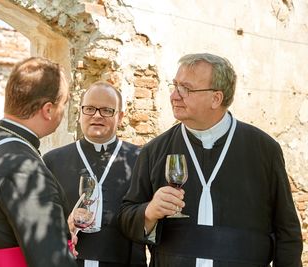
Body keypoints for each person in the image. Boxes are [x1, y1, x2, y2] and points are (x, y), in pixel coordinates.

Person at [118, 53, 303, 267]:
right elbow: (126, 218)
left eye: (185, 88)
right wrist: (149, 212)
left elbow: (287, 234)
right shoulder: (154, 151)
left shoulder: (264, 150)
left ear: (216, 98)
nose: (174, 95)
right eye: (175, 85)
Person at [0, 57, 77, 267]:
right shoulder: (23, 167)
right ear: (48, 110)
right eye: (64, 103)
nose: (64, 111)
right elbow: (51, 261)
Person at [43, 81, 147, 267]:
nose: (97, 116)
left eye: (107, 110)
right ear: (80, 112)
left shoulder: (140, 160)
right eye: (89, 108)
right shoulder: (53, 161)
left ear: (120, 116)